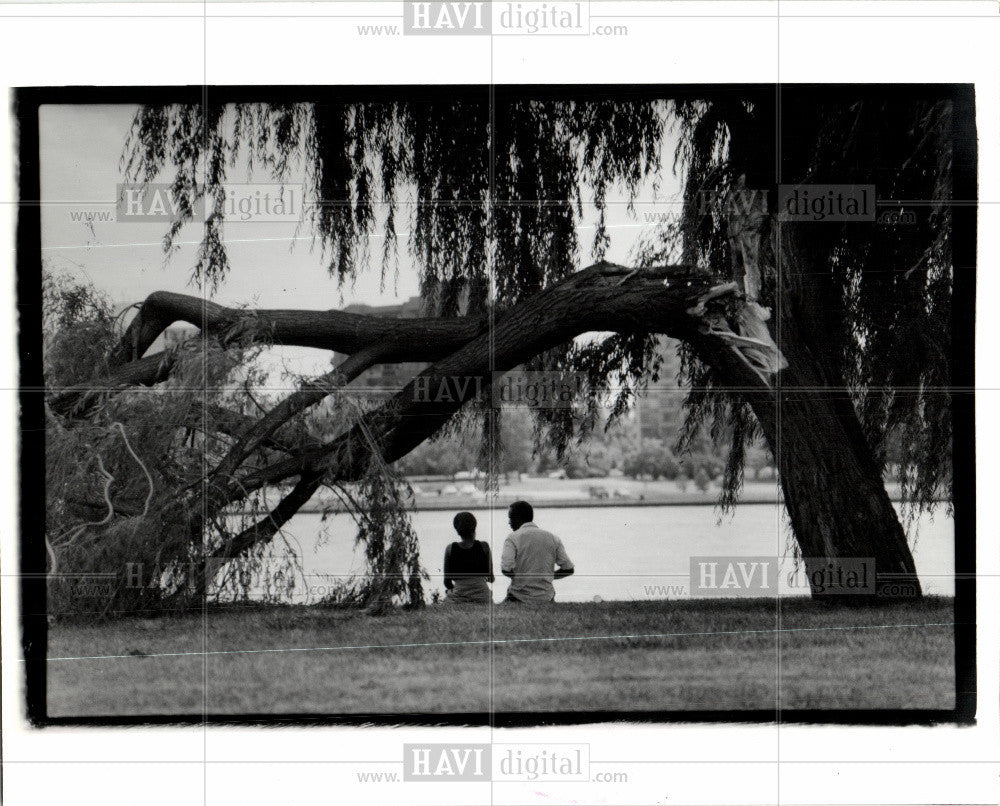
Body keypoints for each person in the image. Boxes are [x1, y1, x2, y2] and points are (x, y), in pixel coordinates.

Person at [500, 501, 574, 604]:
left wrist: (523, 579)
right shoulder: (553, 538)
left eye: (510, 518)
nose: (509, 522)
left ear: (517, 518)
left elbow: (505, 569)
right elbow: (569, 569)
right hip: (546, 596)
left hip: (519, 595)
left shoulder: (512, 538)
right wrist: (547, 576)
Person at [443, 511, 494, 604]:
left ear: (457, 530)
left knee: (447, 597)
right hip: (483, 596)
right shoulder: (484, 546)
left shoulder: (450, 548)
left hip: (459, 597)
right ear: (475, 526)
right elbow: (491, 578)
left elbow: (447, 582)